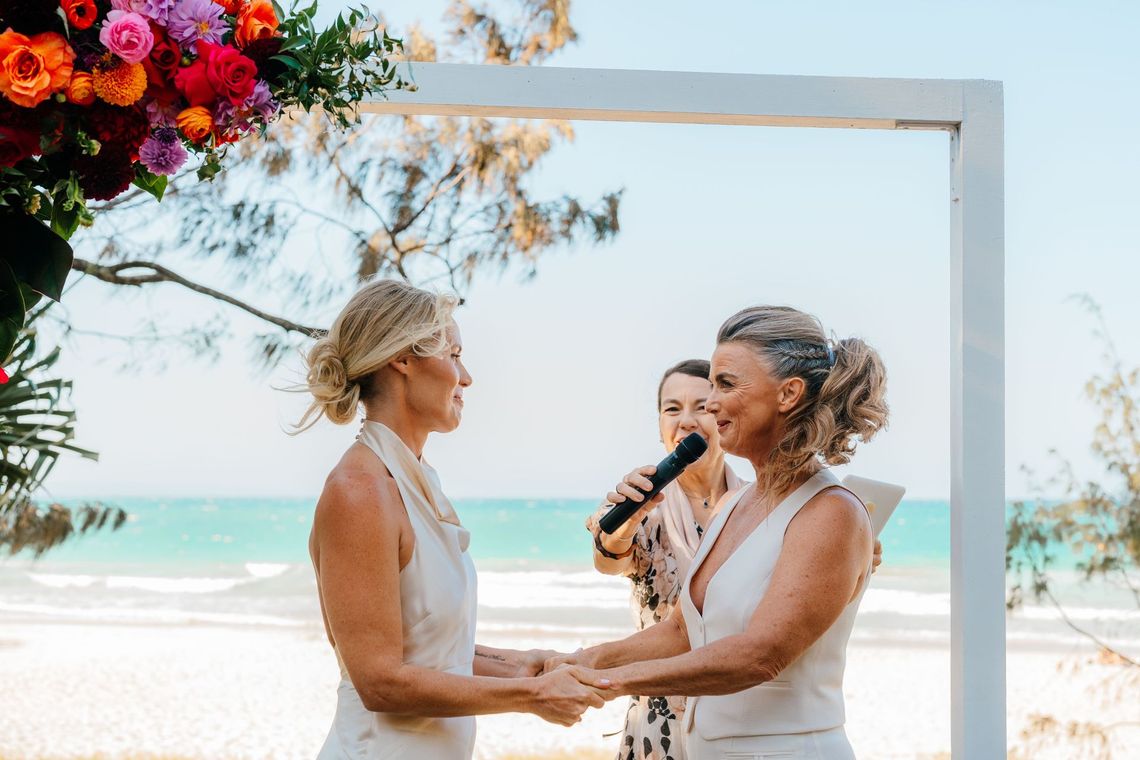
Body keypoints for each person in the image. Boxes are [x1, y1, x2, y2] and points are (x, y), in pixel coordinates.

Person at [556, 305, 890, 760]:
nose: (710, 404)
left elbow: (758, 656)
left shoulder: (831, 511)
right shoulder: (736, 503)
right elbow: (682, 631)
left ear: (788, 393)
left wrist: (605, 682)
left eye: (726, 384)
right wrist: (583, 660)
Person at [301, 279, 603, 760]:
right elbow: (380, 681)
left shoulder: (413, 480)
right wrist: (530, 697)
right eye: (454, 355)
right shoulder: (359, 491)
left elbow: (427, 648)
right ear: (403, 359)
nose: (467, 378)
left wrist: (521, 666)